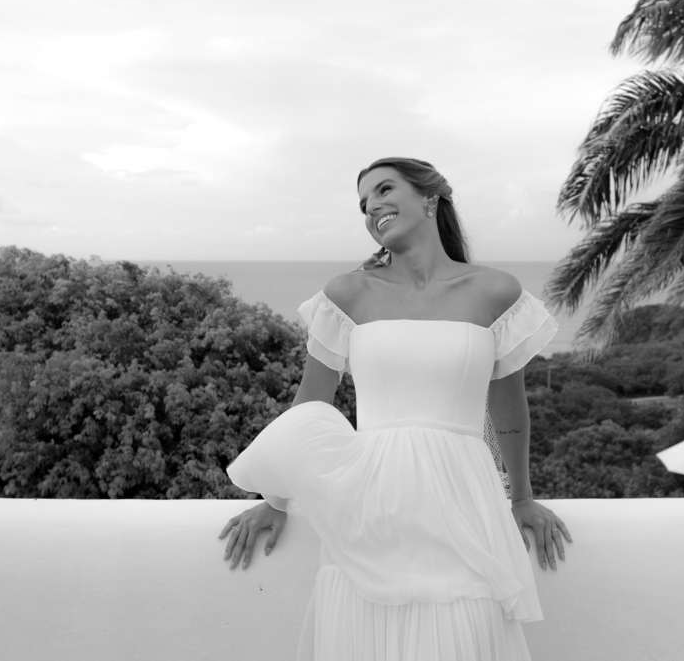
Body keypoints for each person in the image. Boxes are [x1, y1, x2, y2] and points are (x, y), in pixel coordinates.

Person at [220, 157, 571, 661]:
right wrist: (275, 500)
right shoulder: (347, 293)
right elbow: (310, 405)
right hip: (371, 506)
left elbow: (509, 410)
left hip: (464, 502)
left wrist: (522, 497)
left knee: (464, 630)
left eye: (384, 190)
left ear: (431, 197)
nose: (372, 207)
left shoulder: (495, 291)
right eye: (364, 203)